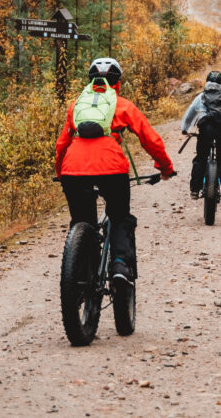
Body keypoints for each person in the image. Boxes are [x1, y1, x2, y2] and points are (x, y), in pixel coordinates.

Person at [54, 56, 176, 283]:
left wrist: (61, 172)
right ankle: (120, 266)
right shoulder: (123, 105)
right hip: (111, 169)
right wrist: (165, 167)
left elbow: (61, 145)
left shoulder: (77, 105)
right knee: (120, 218)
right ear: (117, 82)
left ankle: (80, 274)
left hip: (73, 169)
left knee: (82, 221)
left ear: (91, 81)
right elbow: (151, 140)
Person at [180, 70, 221, 198]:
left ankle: (194, 190)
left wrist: (185, 129)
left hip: (207, 129)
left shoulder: (201, 96)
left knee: (201, 158)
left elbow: (189, 114)